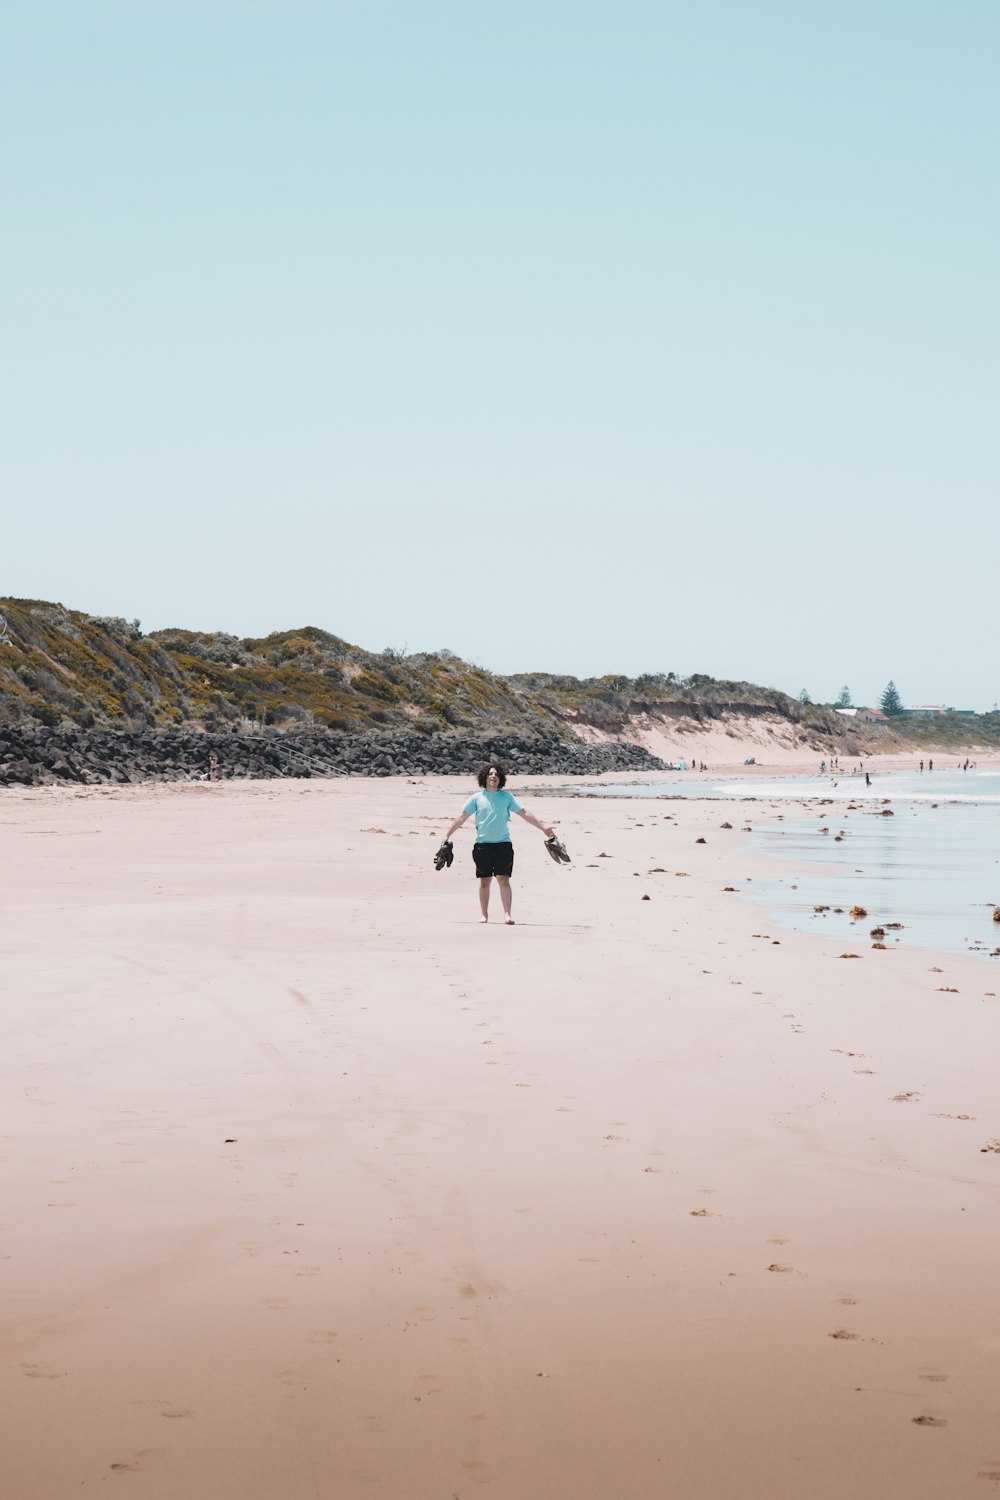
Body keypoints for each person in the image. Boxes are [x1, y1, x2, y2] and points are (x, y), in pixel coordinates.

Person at [440, 761, 555, 925]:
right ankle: (484, 915)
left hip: (503, 844)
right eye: (490, 774)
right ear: (485, 778)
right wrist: (447, 834)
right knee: (485, 880)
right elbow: (462, 817)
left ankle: (507, 915)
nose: (493, 776)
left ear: (500, 779)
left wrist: (543, 828)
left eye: (496, 774)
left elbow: (524, 813)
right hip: (482, 845)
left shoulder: (506, 797)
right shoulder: (477, 798)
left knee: (503, 879)